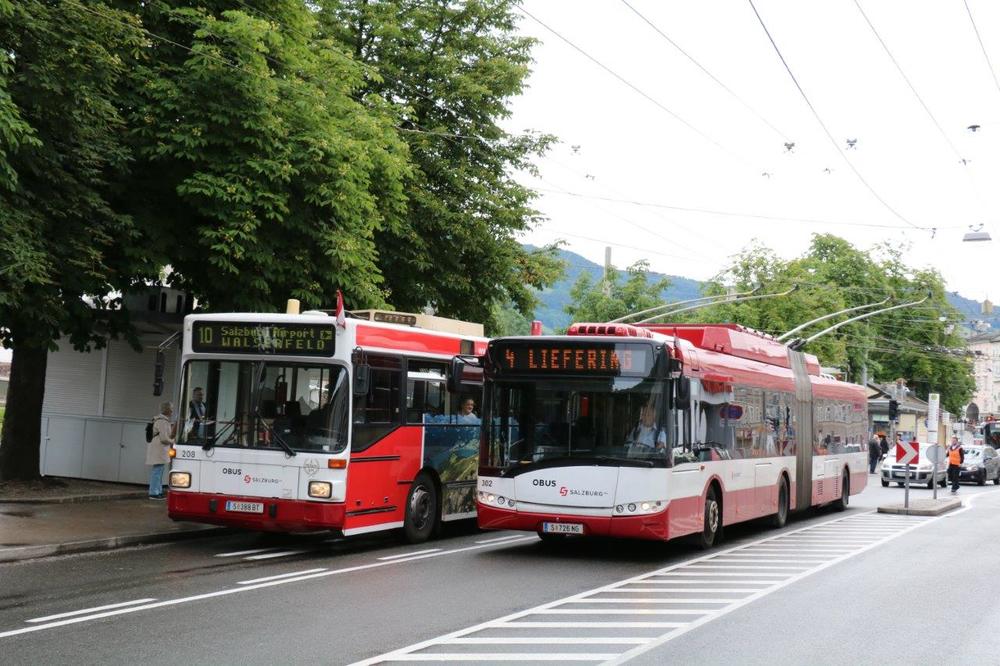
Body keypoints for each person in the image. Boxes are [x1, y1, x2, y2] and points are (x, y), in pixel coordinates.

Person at [147, 401, 175, 500]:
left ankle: (157, 491)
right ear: (167, 410)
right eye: (171, 409)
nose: (172, 411)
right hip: (159, 449)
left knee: (158, 470)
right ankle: (154, 493)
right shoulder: (162, 421)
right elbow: (164, 438)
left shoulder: (159, 419)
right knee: (158, 471)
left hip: (157, 448)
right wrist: (173, 441)